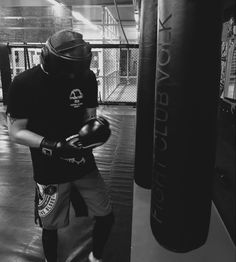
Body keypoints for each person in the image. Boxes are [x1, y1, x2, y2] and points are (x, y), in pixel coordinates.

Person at [6, 29, 114, 262]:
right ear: (50, 60)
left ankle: (96, 257)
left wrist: (97, 128)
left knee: (106, 215)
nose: (72, 77)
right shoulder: (24, 83)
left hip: (82, 162)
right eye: (68, 71)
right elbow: (15, 131)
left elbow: (89, 116)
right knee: (51, 226)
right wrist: (53, 145)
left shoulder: (85, 77)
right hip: (49, 168)